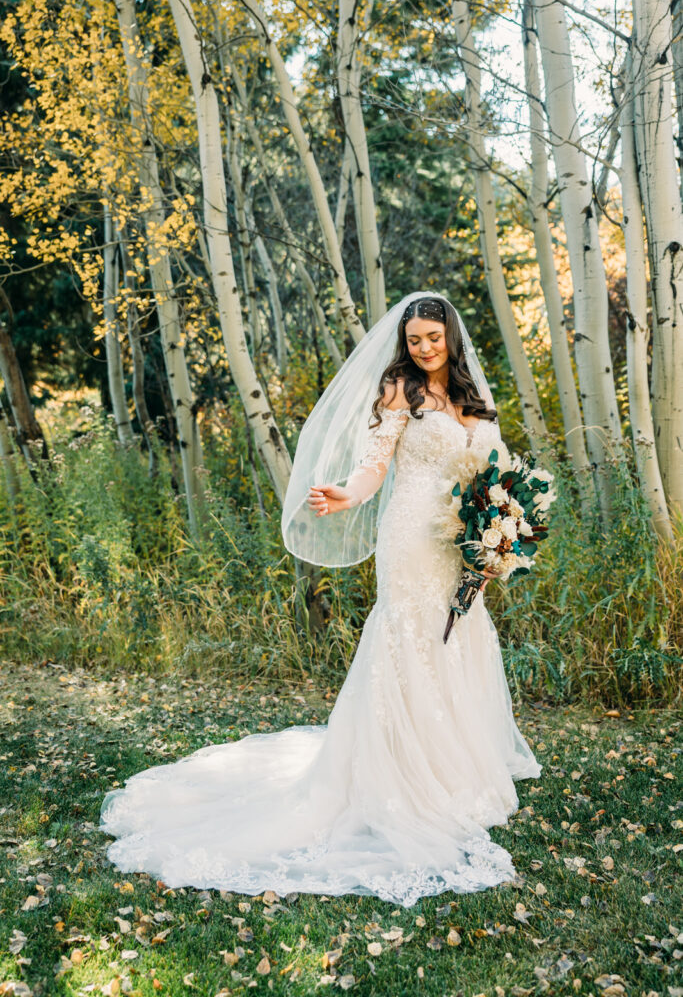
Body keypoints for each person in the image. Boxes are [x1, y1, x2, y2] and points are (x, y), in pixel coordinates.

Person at [100, 291, 542, 907]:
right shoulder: (398, 390)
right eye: (414, 340)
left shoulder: (473, 397)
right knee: (408, 638)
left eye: (433, 339)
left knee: (457, 637)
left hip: (462, 542)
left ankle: (458, 771)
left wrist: (500, 533)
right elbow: (375, 465)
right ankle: (401, 774)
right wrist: (346, 494)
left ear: (452, 338)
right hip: (412, 536)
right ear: (404, 342)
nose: (423, 348)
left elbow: (495, 470)